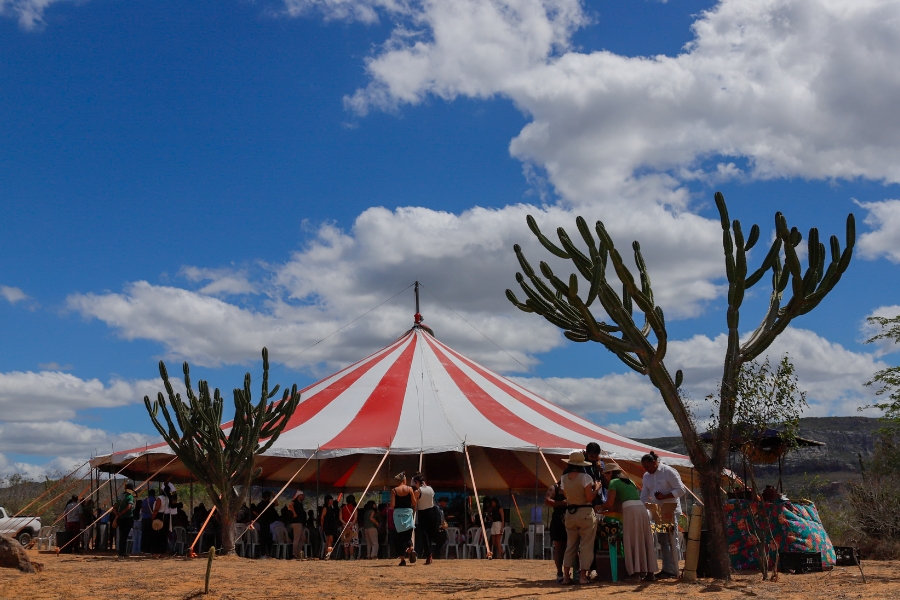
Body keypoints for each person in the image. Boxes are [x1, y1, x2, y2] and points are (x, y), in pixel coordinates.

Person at [601, 461, 656, 581]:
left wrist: (599, 507)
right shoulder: (629, 481)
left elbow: (610, 504)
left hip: (630, 510)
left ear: (611, 473)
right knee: (643, 539)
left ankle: (635, 574)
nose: (606, 477)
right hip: (641, 509)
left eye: (606, 474)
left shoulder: (613, 482)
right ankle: (650, 572)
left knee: (631, 540)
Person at [640, 451, 686, 579]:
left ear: (654, 462)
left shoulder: (668, 471)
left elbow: (681, 490)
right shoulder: (646, 476)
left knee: (672, 538)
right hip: (658, 512)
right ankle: (667, 568)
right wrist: (640, 507)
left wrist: (665, 496)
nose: (647, 470)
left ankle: (674, 568)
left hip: (670, 510)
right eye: (644, 467)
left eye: (648, 467)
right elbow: (644, 493)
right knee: (662, 540)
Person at [560, 450, 601, 585]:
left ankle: (566, 576)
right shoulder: (585, 477)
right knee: (586, 546)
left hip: (570, 513)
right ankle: (583, 576)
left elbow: (566, 495)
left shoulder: (564, 478)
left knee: (570, 545)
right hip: (585, 512)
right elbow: (589, 497)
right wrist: (597, 489)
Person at [545, 474, 569, 582]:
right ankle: (560, 573)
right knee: (559, 548)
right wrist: (562, 503)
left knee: (574, 547)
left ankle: (575, 573)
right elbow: (547, 501)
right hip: (558, 521)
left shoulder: (574, 487)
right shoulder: (554, 488)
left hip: (572, 520)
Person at [391, 471, 417, 566]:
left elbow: (392, 505)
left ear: (398, 481)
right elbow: (414, 503)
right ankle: (410, 548)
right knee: (408, 535)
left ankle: (402, 560)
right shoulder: (410, 489)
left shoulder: (394, 490)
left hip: (398, 515)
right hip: (408, 513)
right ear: (404, 480)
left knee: (400, 537)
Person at [412, 474, 439, 564]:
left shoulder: (417, 491)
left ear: (417, 482)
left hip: (423, 513)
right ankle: (429, 553)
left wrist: (413, 514)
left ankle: (428, 555)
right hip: (432, 512)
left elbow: (415, 505)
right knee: (430, 536)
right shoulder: (430, 488)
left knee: (425, 536)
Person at [112, 483, 135, 559]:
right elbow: (129, 507)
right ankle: (122, 552)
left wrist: (117, 514)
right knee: (124, 535)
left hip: (120, 518)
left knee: (122, 535)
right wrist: (121, 513)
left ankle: (122, 551)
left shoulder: (120, 496)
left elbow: (114, 507)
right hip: (127, 517)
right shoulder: (130, 496)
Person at [288, 490, 307, 560]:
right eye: (302, 495)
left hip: (300, 522)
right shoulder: (295, 502)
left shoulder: (300, 503)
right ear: (299, 496)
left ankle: (299, 553)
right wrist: (294, 513)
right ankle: (294, 554)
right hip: (296, 522)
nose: (303, 497)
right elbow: (290, 504)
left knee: (302, 538)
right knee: (297, 538)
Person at [340, 494, 359, 559]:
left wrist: (345, 523)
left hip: (345, 525)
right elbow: (355, 518)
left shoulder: (342, 508)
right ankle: (351, 556)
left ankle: (346, 556)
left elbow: (340, 518)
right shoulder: (354, 508)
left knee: (346, 541)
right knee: (352, 542)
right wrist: (351, 524)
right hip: (352, 526)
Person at [140, 489, 155, 555]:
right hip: (150, 518)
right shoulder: (154, 500)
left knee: (144, 534)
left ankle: (143, 549)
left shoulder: (144, 500)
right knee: (150, 534)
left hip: (144, 518)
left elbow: (142, 509)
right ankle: (149, 549)